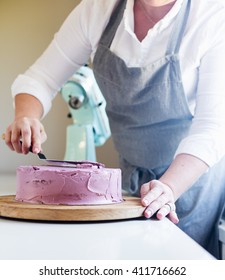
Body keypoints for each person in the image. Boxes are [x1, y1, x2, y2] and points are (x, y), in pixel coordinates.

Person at [3, 0, 225, 259]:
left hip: (188, 185)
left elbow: (213, 127)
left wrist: (169, 188)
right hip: (126, 186)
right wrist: (26, 117)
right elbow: (39, 78)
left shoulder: (212, 16)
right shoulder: (98, 9)